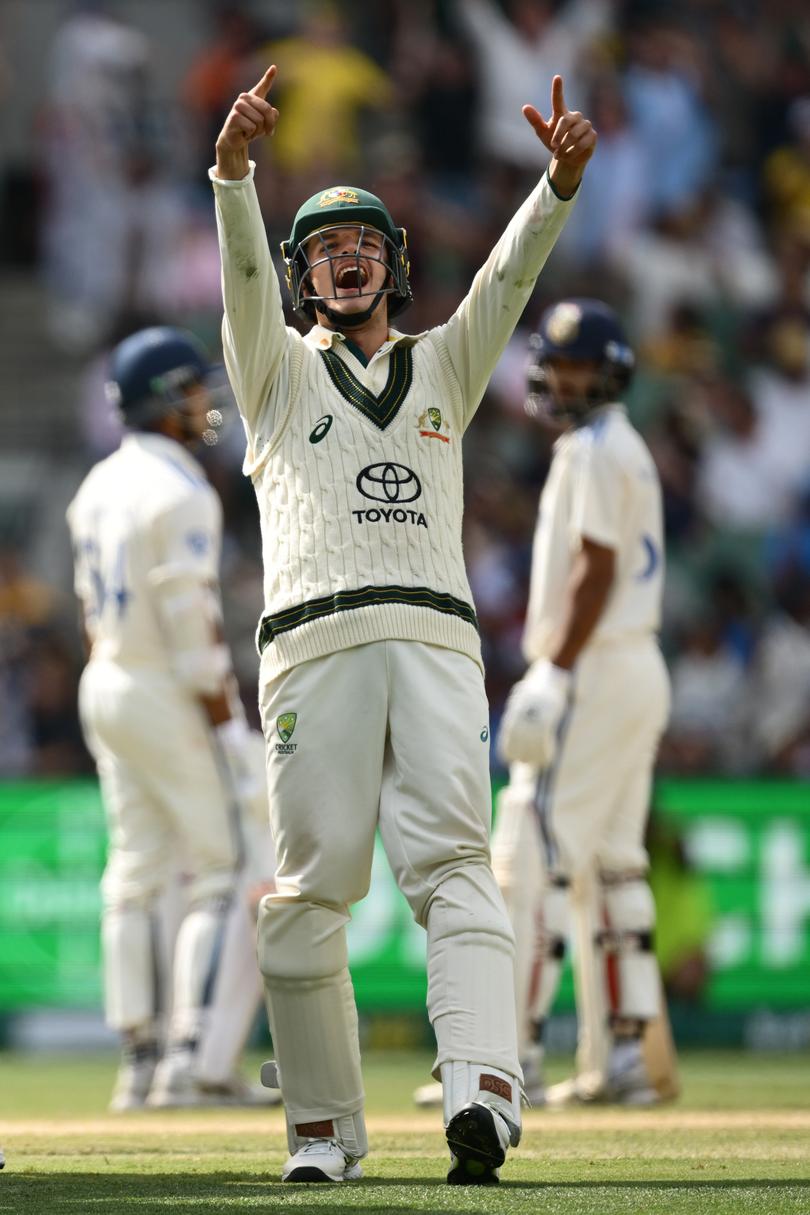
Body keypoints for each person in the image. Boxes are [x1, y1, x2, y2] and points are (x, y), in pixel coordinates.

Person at [210, 63, 595, 1184]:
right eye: (325, 247)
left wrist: (557, 187)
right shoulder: (273, 370)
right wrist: (235, 172)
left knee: (456, 868)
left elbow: (510, 284)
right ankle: (325, 1135)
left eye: (365, 244)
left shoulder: (443, 367)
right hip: (311, 647)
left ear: (393, 267)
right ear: (300, 275)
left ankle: (481, 1087)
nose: (345, 257)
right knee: (307, 897)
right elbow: (239, 271)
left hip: (434, 641)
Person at [67, 326, 276, 1111]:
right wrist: (225, 722)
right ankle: (193, 1060)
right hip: (163, 684)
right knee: (226, 867)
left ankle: (140, 1056)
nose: (201, 403)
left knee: (136, 872)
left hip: (108, 676)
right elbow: (192, 621)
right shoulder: (181, 486)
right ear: (160, 398)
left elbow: (93, 612)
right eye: (189, 389)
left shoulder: (95, 484)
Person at [492, 299, 671, 1104]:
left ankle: (513, 1053)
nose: (565, 379)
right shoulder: (613, 445)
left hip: (595, 668)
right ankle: (625, 1058)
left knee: (533, 853)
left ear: (611, 371)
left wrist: (555, 670)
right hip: (635, 665)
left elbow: (594, 571)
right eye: (556, 364)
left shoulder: (595, 449)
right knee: (615, 864)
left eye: (580, 367)